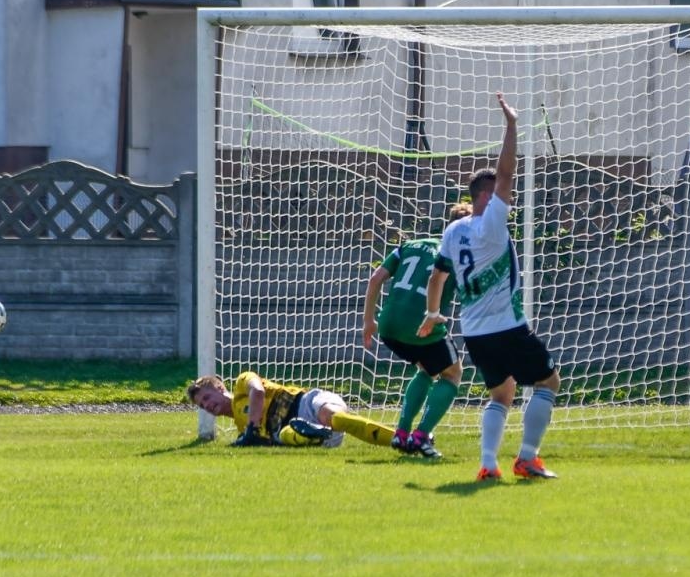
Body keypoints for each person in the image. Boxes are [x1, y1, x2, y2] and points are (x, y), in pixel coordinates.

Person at [417, 93, 560, 482]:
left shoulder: (453, 230)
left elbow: (437, 276)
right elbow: (507, 173)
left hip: (475, 332)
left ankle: (488, 464)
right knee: (548, 382)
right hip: (507, 326)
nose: (505, 194)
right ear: (486, 194)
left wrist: (433, 313)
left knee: (502, 394)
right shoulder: (492, 222)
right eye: (497, 190)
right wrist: (511, 126)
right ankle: (527, 458)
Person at [361, 202, 473, 459]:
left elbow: (375, 279)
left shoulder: (410, 244)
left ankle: (401, 433)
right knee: (453, 374)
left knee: (427, 368)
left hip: (388, 325)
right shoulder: (458, 255)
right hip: (422, 325)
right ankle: (421, 436)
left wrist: (369, 321)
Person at [186, 372, 395, 449]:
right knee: (285, 435)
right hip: (319, 439)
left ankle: (400, 440)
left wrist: (252, 429)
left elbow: (258, 391)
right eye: (202, 406)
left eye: (206, 398)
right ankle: (311, 433)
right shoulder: (241, 429)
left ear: (220, 388)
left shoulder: (242, 384)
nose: (207, 406)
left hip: (306, 403)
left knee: (332, 417)